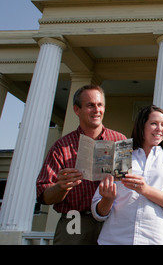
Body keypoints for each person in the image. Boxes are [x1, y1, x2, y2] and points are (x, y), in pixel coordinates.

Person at [36, 85, 127, 245]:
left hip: (112, 220)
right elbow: (44, 196)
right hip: (75, 219)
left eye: (100, 105)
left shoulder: (120, 140)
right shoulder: (61, 146)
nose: (96, 110)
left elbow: (127, 184)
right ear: (77, 110)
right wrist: (62, 187)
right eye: (90, 105)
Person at [91, 105, 163, 245]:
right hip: (115, 239)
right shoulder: (121, 156)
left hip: (157, 240)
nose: (159, 129)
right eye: (154, 123)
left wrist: (145, 190)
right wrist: (107, 199)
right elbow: (98, 212)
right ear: (141, 126)